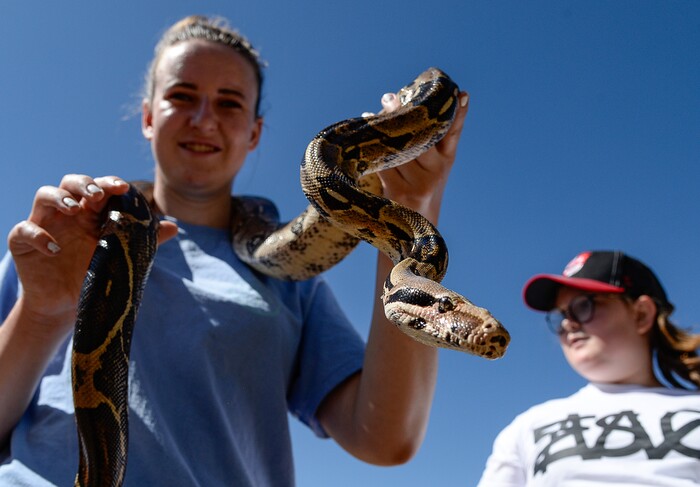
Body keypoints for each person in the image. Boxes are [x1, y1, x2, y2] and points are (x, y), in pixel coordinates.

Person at [0, 15, 470, 486]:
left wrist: (410, 201)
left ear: (254, 133)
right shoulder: (64, 238)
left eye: (229, 103)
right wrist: (42, 312)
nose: (204, 120)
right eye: (182, 96)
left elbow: (385, 438)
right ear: (147, 117)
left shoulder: (292, 286)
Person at [477, 250, 700, 486]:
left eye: (583, 306)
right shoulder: (528, 426)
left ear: (641, 314)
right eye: (561, 315)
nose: (567, 323)